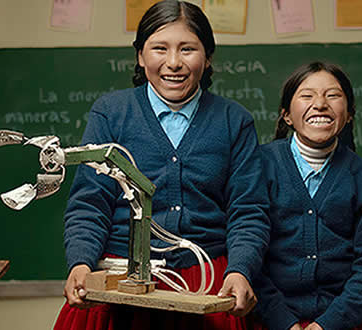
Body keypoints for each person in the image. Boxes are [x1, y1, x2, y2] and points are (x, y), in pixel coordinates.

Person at [53, 1, 270, 329]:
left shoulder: (234, 121)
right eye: (159, 48)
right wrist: (81, 263)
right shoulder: (111, 113)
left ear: (207, 56)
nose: (173, 63)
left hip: (207, 282)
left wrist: (240, 270)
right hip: (118, 281)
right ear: (140, 55)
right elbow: (89, 204)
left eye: (187, 49)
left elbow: (248, 211)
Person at [251, 62, 362, 330]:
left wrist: (327, 324)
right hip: (268, 321)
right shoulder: (259, 166)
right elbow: (247, 252)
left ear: (349, 114)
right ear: (286, 115)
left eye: (333, 95)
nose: (320, 104)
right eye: (307, 95)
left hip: (342, 322)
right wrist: (283, 322)